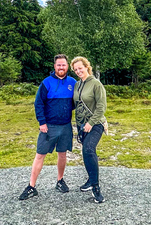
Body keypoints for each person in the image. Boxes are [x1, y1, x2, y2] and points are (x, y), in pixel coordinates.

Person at [18, 54, 76, 201]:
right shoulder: (47, 83)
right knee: (40, 155)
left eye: (63, 65)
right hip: (48, 126)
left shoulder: (73, 82)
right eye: (59, 65)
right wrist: (42, 122)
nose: (61, 67)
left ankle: (60, 181)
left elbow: (76, 102)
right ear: (54, 66)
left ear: (67, 66)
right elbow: (38, 104)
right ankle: (31, 186)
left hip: (65, 126)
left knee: (62, 154)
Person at [71, 56, 107, 204]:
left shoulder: (96, 84)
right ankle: (90, 179)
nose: (78, 71)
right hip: (81, 125)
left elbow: (101, 106)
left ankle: (96, 187)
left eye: (80, 68)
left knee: (88, 149)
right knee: (86, 152)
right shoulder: (77, 85)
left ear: (87, 67)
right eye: (75, 69)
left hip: (96, 123)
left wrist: (91, 123)